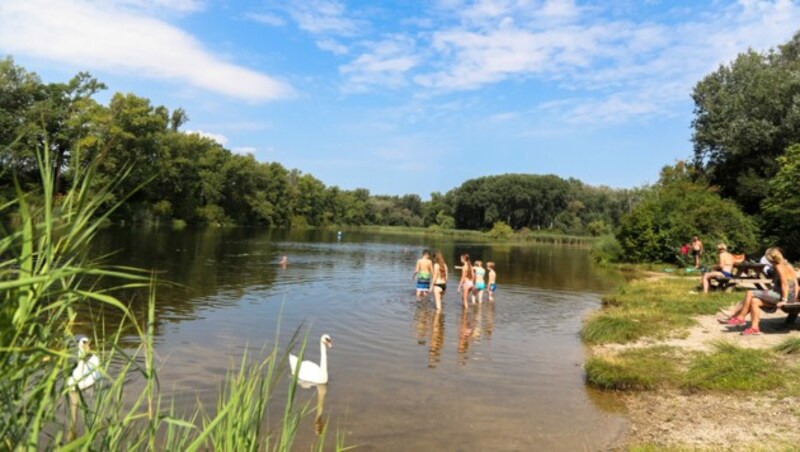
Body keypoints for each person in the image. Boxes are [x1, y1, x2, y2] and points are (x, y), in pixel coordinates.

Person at [719, 247, 798, 335]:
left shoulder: (778, 266)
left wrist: (784, 300)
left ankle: (741, 317)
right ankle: (754, 328)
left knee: (750, 292)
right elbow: (795, 283)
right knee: (755, 301)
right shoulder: (788, 265)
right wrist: (794, 297)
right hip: (790, 296)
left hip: (782, 296)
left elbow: (784, 284)